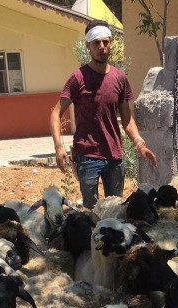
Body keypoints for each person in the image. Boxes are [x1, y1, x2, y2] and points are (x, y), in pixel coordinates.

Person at [50, 21, 157, 210]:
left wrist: (140, 143)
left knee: (115, 210)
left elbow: (127, 118)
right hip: (87, 156)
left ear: (110, 44)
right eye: (97, 43)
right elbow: (56, 113)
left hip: (114, 157)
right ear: (88, 46)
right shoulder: (78, 78)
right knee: (92, 212)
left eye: (106, 42)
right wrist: (59, 147)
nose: (102, 47)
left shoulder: (119, 78)